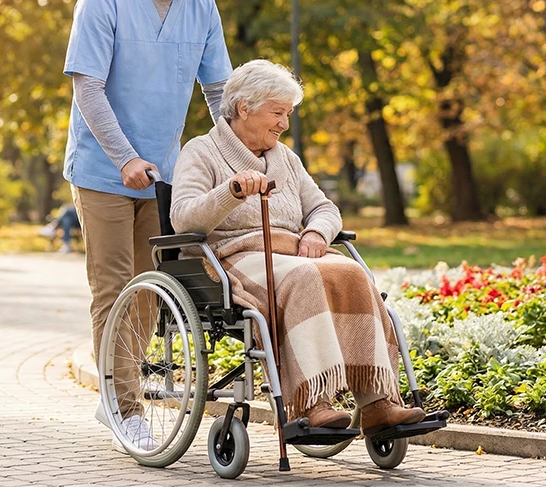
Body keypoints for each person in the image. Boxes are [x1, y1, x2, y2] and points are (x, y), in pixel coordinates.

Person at [170, 60, 427, 434]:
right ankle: (311, 401)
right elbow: (183, 218)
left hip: (290, 253)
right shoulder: (202, 151)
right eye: (277, 113)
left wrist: (317, 233)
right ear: (244, 107)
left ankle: (377, 403)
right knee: (304, 277)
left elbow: (324, 207)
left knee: (353, 272)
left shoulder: (285, 158)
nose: (284, 124)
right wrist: (231, 192)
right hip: (231, 255)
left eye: (287, 114)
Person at [62, 0, 234, 448]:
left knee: (149, 290)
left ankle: (117, 393)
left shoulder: (202, 7)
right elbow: (88, 88)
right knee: (114, 285)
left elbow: (219, 92)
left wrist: (238, 153)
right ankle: (124, 405)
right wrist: (125, 157)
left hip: (164, 172)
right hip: (102, 170)